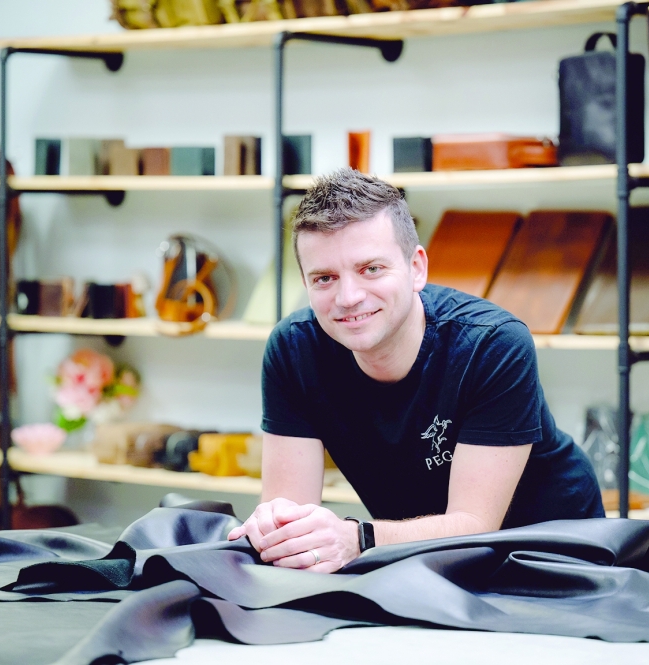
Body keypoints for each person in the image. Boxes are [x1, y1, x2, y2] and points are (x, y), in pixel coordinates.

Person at [228, 168, 604, 572]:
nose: (349, 297)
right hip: (422, 562)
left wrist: (358, 539)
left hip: (555, 553)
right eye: (324, 278)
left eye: (371, 269)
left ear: (417, 268)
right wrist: (275, 528)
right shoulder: (293, 349)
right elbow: (289, 514)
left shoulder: (492, 344)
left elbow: (475, 525)